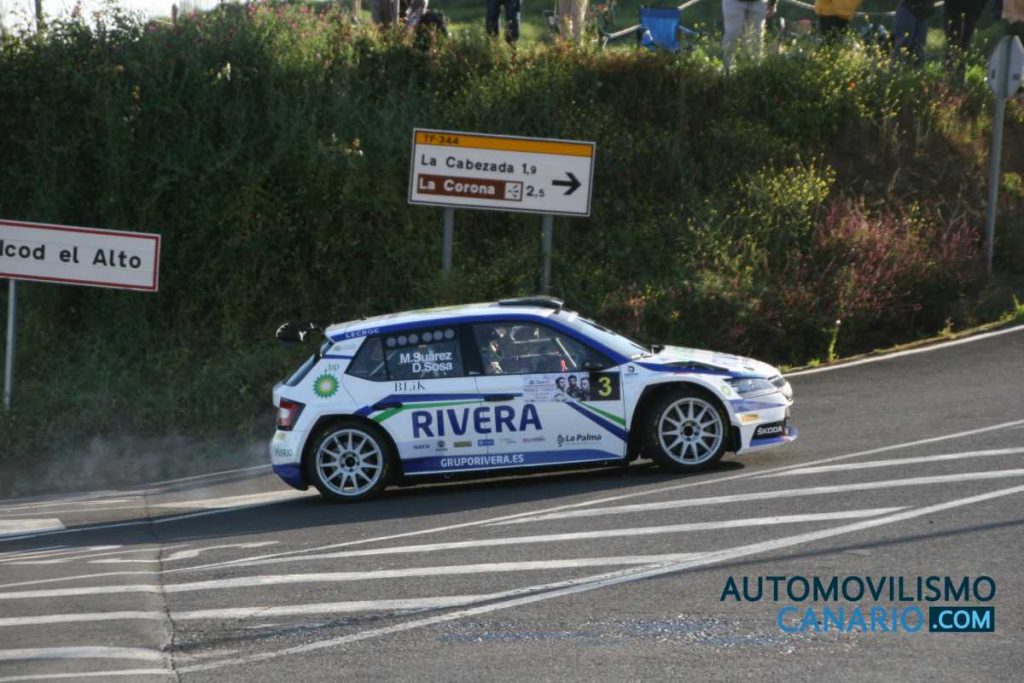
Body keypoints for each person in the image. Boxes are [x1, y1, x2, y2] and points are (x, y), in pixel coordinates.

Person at [722, 0, 777, 71]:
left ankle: (754, 71)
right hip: (733, 2)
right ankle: (728, 71)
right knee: (731, 37)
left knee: (756, 40)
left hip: (758, 2)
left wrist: (773, 3)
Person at [944, 1, 987, 77]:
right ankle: (951, 73)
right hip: (957, 8)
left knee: (962, 43)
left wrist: (978, 10)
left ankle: (958, 72)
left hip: (971, 8)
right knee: (954, 42)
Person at [893, 0, 936, 65]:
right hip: (908, 9)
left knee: (919, 47)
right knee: (904, 44)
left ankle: (917, 68)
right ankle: (898, 67)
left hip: (923, 12)